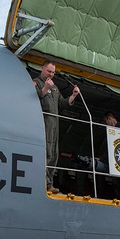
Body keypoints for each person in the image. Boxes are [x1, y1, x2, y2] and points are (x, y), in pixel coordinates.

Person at [33, 61, 80, 193]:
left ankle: (49, 183)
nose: (51, 74)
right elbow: (35, 97)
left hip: (55, 123)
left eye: (53, 72)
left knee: (54, 154)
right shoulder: (36, 82)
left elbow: (62, 104)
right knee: (46, 152)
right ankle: (42, 182)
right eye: (49, 71)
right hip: (44, 122)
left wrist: (73, 96)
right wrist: (46, 88)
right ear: (42, 68)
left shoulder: (54, 88)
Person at [100, 112, 120, 202]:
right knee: (116, 184)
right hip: (116, 162)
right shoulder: (111, 133)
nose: (107, 125)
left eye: (106, 122)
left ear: (109, 119)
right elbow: (109, 148)